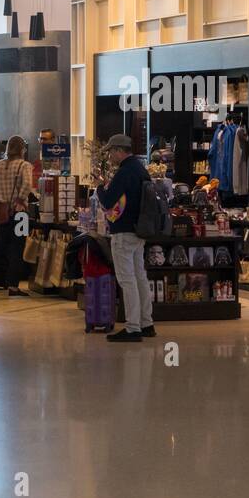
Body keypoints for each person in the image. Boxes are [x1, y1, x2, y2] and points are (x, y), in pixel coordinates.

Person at [95, 134, 154, 342]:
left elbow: (109, 201)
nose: (110, 156)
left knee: (127, 280)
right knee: (140, 277)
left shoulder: (124, 172)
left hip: (123, 232)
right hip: (139, 231)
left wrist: (100, 188)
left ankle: (132, 328)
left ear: (119, 151)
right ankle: (147, 323)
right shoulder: (141, 170)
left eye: (111, 151)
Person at [0, 135, 34, 297]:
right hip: (20, 213)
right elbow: (27, 185)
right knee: (18, 247)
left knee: (1, 246)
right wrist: (20, 199)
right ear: (22, 149)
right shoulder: (24, 165)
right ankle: (13, 286)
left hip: (1, 212)